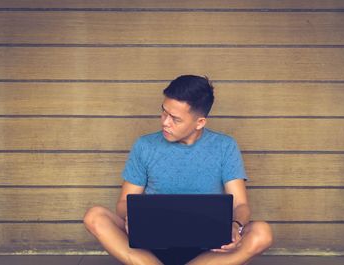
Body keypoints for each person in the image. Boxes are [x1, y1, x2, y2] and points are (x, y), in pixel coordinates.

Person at [84, 75, 273, 265]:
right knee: (95, 216)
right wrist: (130, 217)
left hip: (209, 249)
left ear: (199, 123)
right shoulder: (145, 145)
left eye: (175, 119)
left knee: (262, 233)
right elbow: (123, 202)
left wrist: (236, 226)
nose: (165, 122)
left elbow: (241, 205)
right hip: (151, 246)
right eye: (164, 112)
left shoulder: (225, 146)